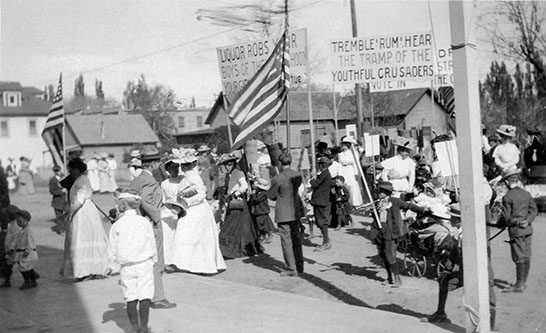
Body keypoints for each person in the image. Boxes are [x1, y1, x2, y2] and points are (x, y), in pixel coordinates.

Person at [129, 146, 177, 309]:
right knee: (156, 261)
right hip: (150, 224)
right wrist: (156, 217)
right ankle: (158, 298)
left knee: (144, 261)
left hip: (138, 223)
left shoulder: (136, 179)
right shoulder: (149, 180)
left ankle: (146, 295)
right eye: (158, 162)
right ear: (153, 164)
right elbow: (146, 200)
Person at [169, 148, 226, 274]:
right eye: (182, 165)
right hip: (189, 210)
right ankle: (183, 263)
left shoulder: (193, 176)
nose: (183, 167)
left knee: (194, 236)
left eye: (185, 165)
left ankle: (201, 265)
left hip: (197, 209)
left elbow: (201, 193)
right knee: (186, 235)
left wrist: (186, 199)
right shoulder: (187, 176)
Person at [108, 190, 157, 333]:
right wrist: (154, 259)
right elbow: (151, 242)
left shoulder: (117, 225)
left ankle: (134, 327)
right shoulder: (144, 222)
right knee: (145, 296)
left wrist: (112, 266)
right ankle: (144, 327)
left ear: (123, 205)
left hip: (126, 266)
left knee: (130, 296)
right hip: (144, 264)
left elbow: (112, 248)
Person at [59, 158, 109, 281]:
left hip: (84, 213)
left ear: (76, 169)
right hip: (83, 211)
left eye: (70, 170)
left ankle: (88, 271)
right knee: (85, 238)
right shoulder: (79, 180)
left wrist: (68, 213)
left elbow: (79, 201)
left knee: (83, 238)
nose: (69, 172)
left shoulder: (82, 181)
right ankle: (87, 270)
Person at [371, 181, 427, 286]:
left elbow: (409, 205)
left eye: (381, 191)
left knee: (390, 255)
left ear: (387, 192)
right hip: (380, 231)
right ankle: (389, 277)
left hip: (391, 232)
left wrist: (422, 210)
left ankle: (397, 279)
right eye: (378, 191)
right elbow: (376, 217)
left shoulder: (395, 201)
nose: (378, 193)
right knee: (383, 255)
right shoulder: (377, 202)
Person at [497, 168, 537, 292]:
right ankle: (523, 282)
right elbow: (534, 210)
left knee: (518, 256)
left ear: (508, 182)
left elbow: (506, 217)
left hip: (516, 231)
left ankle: (519, 285)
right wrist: (528, 220)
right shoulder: (526, 194)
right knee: (526, 255)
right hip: (528, 229)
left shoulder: (508, 197)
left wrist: (500, 223)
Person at [217, 153, 263, 258]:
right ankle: (229, 249)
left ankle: (230, 250)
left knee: (231, 227)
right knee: (234, 227)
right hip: (231, 202)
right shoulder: (230, 175)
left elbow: (244, 186)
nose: (227, 167)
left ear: (233, 164)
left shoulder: (239, 173)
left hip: (237, 202)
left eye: (229, 164)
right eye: (226, 165)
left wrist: (236, 193)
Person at [268, 152, 305, 277]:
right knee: (296, 238)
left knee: (286, 241)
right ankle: (299, 266)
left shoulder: (278, 178)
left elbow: (271, 196)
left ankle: (291, 267)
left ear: (280, 163)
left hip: (283, 212)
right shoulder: (297, 175)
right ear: (290, 162)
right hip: (295, 210)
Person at [160, 149, 184, 268]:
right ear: (168, 170)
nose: (175, 170)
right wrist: (167, 205)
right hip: (168, 210)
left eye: (176, 167)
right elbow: (163, 199)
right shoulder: (164, 183)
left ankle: (179, 260)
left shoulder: (182, 180)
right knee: (168, 235)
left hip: (181, 209)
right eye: (172, 168)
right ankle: (168, 260)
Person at [12, 210, 40, 289]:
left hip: (27, 253)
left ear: (26, 220)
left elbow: (30, 242)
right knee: (27, 267)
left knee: (23, 267)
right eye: (17, 221)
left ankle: (27, 281)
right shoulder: (22, 231)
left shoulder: (28, 231)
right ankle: (33, 278)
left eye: (20, 221)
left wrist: (27, 251)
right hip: (22, 252)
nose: (18, 223)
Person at [310, 156, 333, 251]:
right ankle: (326, 239)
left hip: (320, 201)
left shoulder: (325, 174)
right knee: (320, 220)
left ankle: (326, 242)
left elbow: (315, 184)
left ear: (322, 165)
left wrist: (312, 178)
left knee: (321, 221)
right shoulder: (325, 173)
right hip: (320, 200)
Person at [338, 136, 363, 206]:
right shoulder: (340, 154)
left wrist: (356, 172)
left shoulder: (354, 153)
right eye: (343, 144)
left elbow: (356, 163)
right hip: (343, 170)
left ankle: (355, 202)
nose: (344, 146)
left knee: (352, 185)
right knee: (345, 185)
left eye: (345, 145)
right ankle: (346, 201)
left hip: (350, 170)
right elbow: (340, 164)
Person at [250, 177, 274, 244]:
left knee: (261, 224)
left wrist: (253, 194)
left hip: (262, 211)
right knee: (260, 224)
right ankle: (263, 236)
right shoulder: (260, 193)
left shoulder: (262, 193)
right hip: (260, 211)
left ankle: (268, 233)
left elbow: (256, 199)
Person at [1, 205, 20, 288]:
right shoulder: (12, 224)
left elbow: (15, 238)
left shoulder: (14, 226)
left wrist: (11, 248)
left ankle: (7, 281)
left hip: (12, 250)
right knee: (21, 263)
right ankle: (33, 275)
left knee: (9, 265)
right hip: (10, 248)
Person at [49, 165, 68, 234]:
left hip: (66, 200)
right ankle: (61, 230)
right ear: (55, 172)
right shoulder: (53, 180)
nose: (59, 172)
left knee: (69, 214)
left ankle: (68, 228)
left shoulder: (65, 177)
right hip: (57, 201)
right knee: (59, 217)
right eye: (57, 171)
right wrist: (61, 191)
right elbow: (52, 191)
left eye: (59, 170)